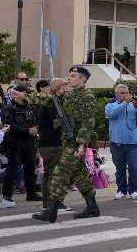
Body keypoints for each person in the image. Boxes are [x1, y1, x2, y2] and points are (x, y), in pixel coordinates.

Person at [33, 66, 101, 223]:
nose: (69, 78)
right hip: (67, 142)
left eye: (73, 75)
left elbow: (88, 123)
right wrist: (25, 95)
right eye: (69, 75)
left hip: (76, 143)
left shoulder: (87, 97)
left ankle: (51, 210)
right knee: (80, 175)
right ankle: (92, 206)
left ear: (83, 79)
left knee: (59, 174)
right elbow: (49, 101)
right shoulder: (70, 96)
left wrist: (82, 145)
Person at [34, 78, 72, 211]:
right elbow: (56, 122)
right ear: (57, 88)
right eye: (64, 87)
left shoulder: (54, 101)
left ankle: (51, 202)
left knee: (51, 174)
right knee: (52, 174)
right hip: (51, 143)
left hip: (52, 142)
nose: (66, 90)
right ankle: (51, 203)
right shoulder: (51, 102)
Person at [105, 84, 137, 199]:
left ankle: (133, 190)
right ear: (116, 94)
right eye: (122, 93)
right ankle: (121, 190)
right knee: (120, 168)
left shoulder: (134, 105)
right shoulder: (110, 105)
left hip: (133, 143)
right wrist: (124, 104)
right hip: (117, 143)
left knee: (134, 167)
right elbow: (111, 114)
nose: (125, 95)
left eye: (126, 93)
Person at [1, 83, 41, 203]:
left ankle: (31, 193)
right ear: (17, 94)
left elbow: (38, 121)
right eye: (26, 93)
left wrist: (36, 129)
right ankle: (7, 196)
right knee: (12, 169)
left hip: (29, 142)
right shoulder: (9, 108)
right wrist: (27, 130)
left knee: (30, 169)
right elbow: (7, 126)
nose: (28, 95)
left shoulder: (31, 108)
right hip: (14, 143)